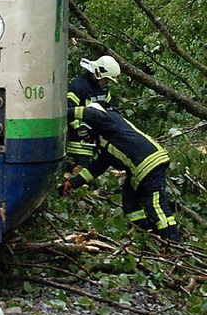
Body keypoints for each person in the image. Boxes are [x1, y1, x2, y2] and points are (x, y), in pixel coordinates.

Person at [61, 103, 179, 242]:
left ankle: (172, 241)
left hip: (150, 163)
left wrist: (62, 112)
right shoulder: (105, 142)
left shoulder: (110, 120)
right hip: (138, 171)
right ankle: (143, 232)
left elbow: (92, 114)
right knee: (130, 199)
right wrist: (71, 183)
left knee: (155, 204)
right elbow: (94, 169)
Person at [66, 55, 121, 171]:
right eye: (105, 79)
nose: (106, 83)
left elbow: (109, 108)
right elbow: (67, 111)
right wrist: (82, 129)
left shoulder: (104, 90)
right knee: (79, 173)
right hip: (78, 144)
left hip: (96, 142)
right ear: (98, 73)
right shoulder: (78, 87)